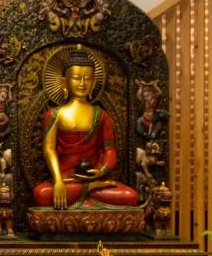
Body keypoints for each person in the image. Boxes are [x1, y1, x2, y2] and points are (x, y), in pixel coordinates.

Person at [32, 50, 139, 208]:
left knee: (130, 196)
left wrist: (101, 171)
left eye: (87, 78)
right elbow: (49, 150)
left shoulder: (101, 115)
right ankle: (88, 192)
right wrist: (58, 181)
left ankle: (88, 190)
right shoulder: (54, 115)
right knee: (41, 193)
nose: (82, 83)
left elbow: (110, 150)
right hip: (66, 179)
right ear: (64, 82)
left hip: (94, 178)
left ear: (93, 82)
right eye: (76, 78)